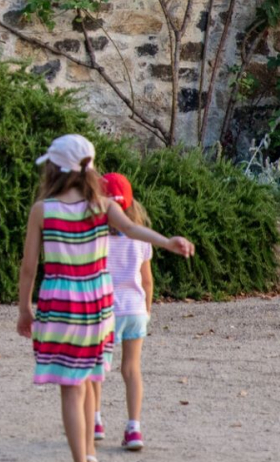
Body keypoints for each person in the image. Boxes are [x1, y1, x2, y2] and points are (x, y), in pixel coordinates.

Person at [16, 135, 194, 462]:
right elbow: (133, 230)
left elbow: (29, 268)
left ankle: (81, 457)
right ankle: (88, 453)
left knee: (71, 387)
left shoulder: (42, 211)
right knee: (85, 379)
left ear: (54, 170)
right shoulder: (103, 207)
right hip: (97, 308)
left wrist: (25, 309)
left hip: (59, 307)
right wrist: (167, 242)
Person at [92, 172, 155, 452]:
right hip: (135, 310)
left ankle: (95, 421)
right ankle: (134, 428)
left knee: (96, 368)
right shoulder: (141, 239)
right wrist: (147, 308)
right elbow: (148, 280)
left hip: (105, 310)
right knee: (132, 369)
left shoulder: (97, 238)